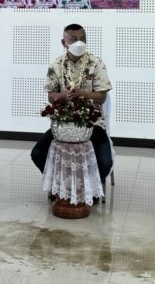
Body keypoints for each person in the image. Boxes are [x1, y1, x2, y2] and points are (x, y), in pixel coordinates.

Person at [30, 24, 113, 189]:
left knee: (105, 163)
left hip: (92, 124)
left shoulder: (96, 63)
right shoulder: (56, 65)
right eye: (74, 39)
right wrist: (64, 96)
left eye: (83, 39)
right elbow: (51, 96)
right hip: (63, 125)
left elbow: (101, 97)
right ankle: (60, 185)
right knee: (38, 154)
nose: (79, 43)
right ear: (64, 42)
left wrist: (81, 93)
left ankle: (88, 188)